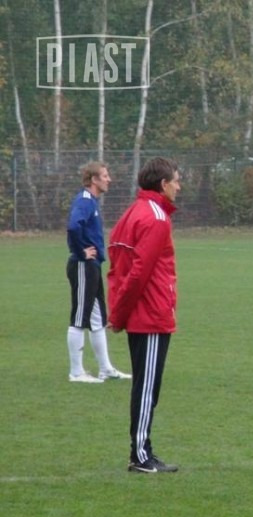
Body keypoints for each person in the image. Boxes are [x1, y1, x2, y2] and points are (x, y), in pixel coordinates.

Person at [108, 157, 183, 474]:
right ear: (163, 184)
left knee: (145, 385)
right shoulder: (156, 218)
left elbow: (118, 268)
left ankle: (141, 452)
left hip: (142, 314)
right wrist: (119, 314)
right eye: (176, 181)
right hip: (150, 315)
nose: (179, 186)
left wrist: (119, 310)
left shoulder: (133, 212)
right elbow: (138, 273)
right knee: (147, 388)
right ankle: (140, 455)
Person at [65, 161, 131, 383]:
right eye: (104, 175)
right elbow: (73, 226)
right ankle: (76, 372)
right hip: (83, 265)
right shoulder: (84, 200)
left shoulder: (91, 201)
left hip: (92, 266)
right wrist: (81, 252)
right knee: (79, 317)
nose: (108, 179)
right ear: (94, 179)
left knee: (97, 318)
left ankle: (105, 369)